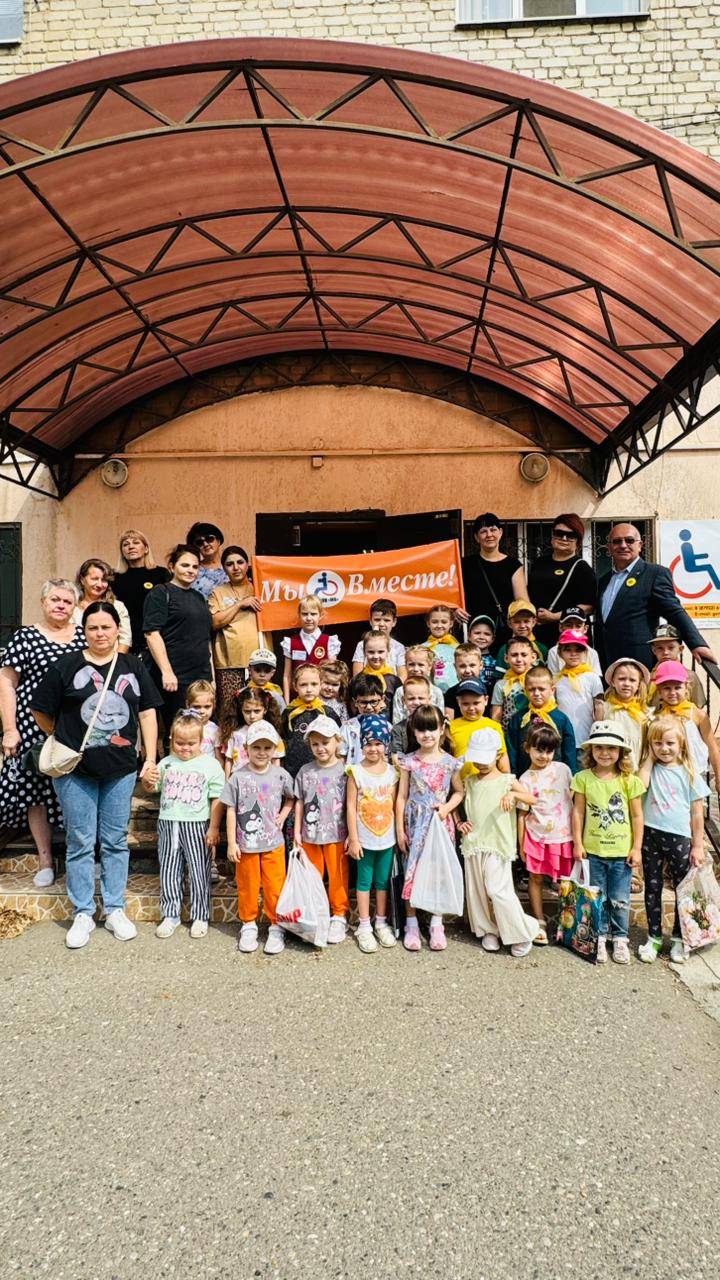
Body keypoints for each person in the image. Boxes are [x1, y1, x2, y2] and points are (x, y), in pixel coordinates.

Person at [29, 602, 161, 949]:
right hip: (75, 771)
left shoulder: (133, 665)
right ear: (83, 631)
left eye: (106, 627)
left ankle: (115, 908)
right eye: (93, 628)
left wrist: (149, 757)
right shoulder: (66, 665)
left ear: (117, 630)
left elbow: (147, 712)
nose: (100, 633)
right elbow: (40, 710)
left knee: (115, 840)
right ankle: (84, 912)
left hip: (120, 769)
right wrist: (61, 736)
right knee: (80, 841)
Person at [0, 580, 85, 885]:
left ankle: (82, 856)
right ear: (43, 602)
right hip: (31, 725)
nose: (61, 605)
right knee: (35, 790)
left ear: (75, 606)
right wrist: (9, 729)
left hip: (74, 727)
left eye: (67, 601)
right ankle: (45, 861)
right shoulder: (25, 637)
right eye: (55, 599)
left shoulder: (84, 636)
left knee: (77, 790)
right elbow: (6, 683)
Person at [213, 720, 294, 955]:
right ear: (246, 748)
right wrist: (231, 842)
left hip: (273, 843)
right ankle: (248, 923)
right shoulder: (237, 777)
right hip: (246, 845)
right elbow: (230, 809)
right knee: (247, 885)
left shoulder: (281, 775)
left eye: (267, 748)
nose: (262, 752)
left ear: (274, 749)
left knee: (274, 885)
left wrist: (283, 815)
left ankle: (276, 925)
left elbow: (291, 798)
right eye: (257, 747)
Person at [457, 728, 539, 957]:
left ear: (498, 755)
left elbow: (531, 799)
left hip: (498, 843)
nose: (481, 764)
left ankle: (521, 932)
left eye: (485, 758)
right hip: (474, 841)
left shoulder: (507, 780)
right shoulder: (469, 781)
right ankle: (488, 930)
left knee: (498, 889)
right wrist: (459, 822)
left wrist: (513, 795)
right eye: (477, 759)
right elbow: (456, 801)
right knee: (477, 891)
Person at [143, 710, 225, 940]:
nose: (185, 748)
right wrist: (147, 781)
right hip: (169, 823)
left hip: (197, 825)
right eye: (180, 743)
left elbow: (217, 798)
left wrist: (214, 827)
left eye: (191, 743)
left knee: (199, 870)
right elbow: (152, 787)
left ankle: (200, 914)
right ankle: (171, 914)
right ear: (171, 739)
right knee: (169, 869)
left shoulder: (210, 765)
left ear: (201, 741)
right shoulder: (166, 763)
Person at [571, 720, 645, 965]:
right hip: (593, 851)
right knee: (598, 897)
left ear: (621, 752)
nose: (605, 753)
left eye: (611, 748)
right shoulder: (582, 778)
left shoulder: (629, 780)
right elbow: (578, 812)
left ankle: (620, 937)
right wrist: (578, 843)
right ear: (591, 750)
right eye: (599, 747)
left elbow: (637, 816)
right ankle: (600, 935)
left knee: (620, 898)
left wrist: (636, 848)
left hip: (621, 853)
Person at [637, 716, 709, 965]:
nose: (664, 749)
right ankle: (654, 936)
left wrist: (698, 845)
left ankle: (679, 938)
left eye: (670, 743)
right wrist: (648, 758)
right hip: (651, 835)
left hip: (679, 838)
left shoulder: (689, 773)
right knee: (653, 888)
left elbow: (697, 814)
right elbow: (640, 786)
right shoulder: (650, 769)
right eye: (657, 743)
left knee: (681, 889)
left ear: (681, 744)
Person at [595, 523, 714, 671]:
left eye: (629, 540)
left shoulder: (654, 574)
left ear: (640, 545)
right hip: (606, 661)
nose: (623, 545)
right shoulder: (604, 580)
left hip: (639, 661)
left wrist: (696, 643)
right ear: (609, 547)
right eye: (617, 541)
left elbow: (674, 611)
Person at [395, 705, 464, 952]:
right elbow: (401, 796)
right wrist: (399, 829)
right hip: (414, 823)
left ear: (442, 729)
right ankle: (411, 923)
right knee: (411, 868)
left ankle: (436, 923)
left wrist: (446, 808)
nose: (427, 735)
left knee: (437, 871)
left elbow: (459, 792)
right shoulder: (409, 762)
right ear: (414, 731)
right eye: (421, 730)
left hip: (440, 824)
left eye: (432, 729)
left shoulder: (450, 763)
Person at [293, 714, 349, 944]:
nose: (320, 748)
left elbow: (351, 804)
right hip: (310, 835)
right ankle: (316, 913)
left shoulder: (346, 771)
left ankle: (339, 915)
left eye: (325, 742)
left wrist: (352, 834)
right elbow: (299, 802)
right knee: (313, 877)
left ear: (337, 741)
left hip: (337, 834)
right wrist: (297, 832)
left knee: (337, 876)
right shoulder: (305, 771)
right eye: (315, 744)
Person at [516, 721, 574, 944]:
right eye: (539, 750)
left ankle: (567, 922)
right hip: (536, 835)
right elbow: (522, 814)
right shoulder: (524, 779)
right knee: (536, 877)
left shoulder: (563, 770)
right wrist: (521, 843)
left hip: (564, 835)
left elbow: (574, 800)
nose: (544, 756)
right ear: (527, 748)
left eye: (549, 751)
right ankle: (538, 920)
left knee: (566, 881)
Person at [345, 715, 399, 954]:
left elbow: (396, 804)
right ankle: (364, 925)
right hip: (364, 839)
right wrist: (353, 838)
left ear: (385, 744)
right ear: (361, 745)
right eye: (368, 743)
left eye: (378, 743)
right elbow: (350, 806)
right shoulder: (355, 772)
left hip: (387, 838)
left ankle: (381, 921)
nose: (373, 748)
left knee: (382, 881)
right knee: (364, 881)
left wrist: (399, 834)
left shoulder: (393, 773)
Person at [143, 544, 212, 725]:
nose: (191, 570)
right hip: (175, 677)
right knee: (178, 729)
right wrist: (167, 672)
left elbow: (205, 638)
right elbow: (152, 634)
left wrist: (210, 677)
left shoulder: (199, 597)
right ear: (172, 567)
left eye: (195, 567)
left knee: (201, 731)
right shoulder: (160, 592)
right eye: (185, 565)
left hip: (200, 675)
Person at [207, 545, 264, 716]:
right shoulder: (218, 592)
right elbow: (214, 623)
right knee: (230, 712)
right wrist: (240, 604)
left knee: (258, 710)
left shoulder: (260, 588)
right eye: (229, 564)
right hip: (229, 662)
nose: (236, 567)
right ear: (224, 568)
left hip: (260, 661)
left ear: (247, 564)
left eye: (240, 562)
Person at [528, 514, 597, 648]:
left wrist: (554, 616)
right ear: (552, 535)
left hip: (569, 635)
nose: (564, 538)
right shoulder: (539, 563)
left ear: (578, 541)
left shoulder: (582, 569)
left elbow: (589, 606)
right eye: (559, 533)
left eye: (570, 535)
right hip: (537, 632)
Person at [649, 660, 720, 788]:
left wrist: (718, 776)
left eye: (677, 687)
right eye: (666, 688)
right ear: (659, 691)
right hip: (667, 775)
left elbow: (712, 747)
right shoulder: (658, 718)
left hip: (695, 774)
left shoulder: (698, 715)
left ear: (686, 687)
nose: (672, 692)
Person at [458, 513, 528, 639]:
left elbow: (522, 602)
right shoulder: (464, 564)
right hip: (472, 628)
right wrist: (455, 609)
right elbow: (452, 595)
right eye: (483, 531)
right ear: (476, 537)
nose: (489, 535)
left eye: (493, 530)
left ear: (500, 532)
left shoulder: (513, 565)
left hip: (503, 629)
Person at [505, 665, 576, 776]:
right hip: (525, 777)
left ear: (552, 690)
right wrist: (513, 776)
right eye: (531, 689)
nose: (536, 693)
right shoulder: (519, 718)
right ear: (525, 690)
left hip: (555, 777)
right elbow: (512, 749)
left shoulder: (561, 719)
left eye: (541, 689)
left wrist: (570, 776)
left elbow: (569, 752)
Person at [113, 530, 170, 654]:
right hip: (126, 638)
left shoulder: (161, 574)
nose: (131, 547)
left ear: (146, 549)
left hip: (157, 636)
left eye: (136, 542)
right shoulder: (115, 578)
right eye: (126, 544)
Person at [282, 663, 341, 778]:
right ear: (295, 686)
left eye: (314, 684)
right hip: (294, 769)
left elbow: (337, 738)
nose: (309, 689)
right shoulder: (289, 713)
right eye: (303, 685)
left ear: (320, 685)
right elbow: (282, 738)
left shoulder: (327, 712)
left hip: (322, 769)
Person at [553, 630, 605, 761]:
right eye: (568, 649)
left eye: (579, 649)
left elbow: (599, 705)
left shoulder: (593, 677)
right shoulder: (556, 679)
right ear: (559, 652)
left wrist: (598, 732)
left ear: (586, 652)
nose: (573, 653)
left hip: (586, 737)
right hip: (562, 738)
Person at [281, 594, 341, 702]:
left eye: (313, 614)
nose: (309, 618)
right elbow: (287, 676)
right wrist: (287, 702)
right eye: (305, 614)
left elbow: (333, 675)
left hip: (322, 700)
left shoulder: (329, 642)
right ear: (299, 615)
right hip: (298, 700)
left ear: (320, 615)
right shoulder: (290, 642)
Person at [448, 678, 508, 779]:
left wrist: (506, 778)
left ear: (486, 700)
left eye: (476, 703)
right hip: (460, 782)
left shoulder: (494, 726)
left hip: (487, 782)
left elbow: (502, 756)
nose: (471, 708)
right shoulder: (451, 727)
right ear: (458, 702)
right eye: (465, 704)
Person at [220, 686, 285, 777]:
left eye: (257, 711)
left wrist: (275, 778)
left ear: (265, 710)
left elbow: (276, 759)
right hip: (239, 779)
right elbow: (229, 759)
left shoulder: (271, 732)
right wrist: (227, 780)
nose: (252, 716)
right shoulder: (236, 734)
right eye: (247, 711)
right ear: (241, 710)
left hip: (263, 779)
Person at [73, 559, 132, 652]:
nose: (100, 584)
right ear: (82, 580)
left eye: (104, 580)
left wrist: (117, 660)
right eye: (94, 579)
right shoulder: (72, 607)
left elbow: (125, 641)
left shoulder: (117, 606)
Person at [602, 658, 650, 772]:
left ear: (639, 684)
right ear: (613, 681)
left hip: (637, 764)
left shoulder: (645, 713)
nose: (627, 684)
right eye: (622, 679)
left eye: (632, 680)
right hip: (612, 767)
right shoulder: (604, 708)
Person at [647, 624, 705, 709]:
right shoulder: (648, 677)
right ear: (654, 650)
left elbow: (698, 706)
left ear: (680, 649)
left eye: (671, 648)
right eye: (660, 648)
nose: (665, 652)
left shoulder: (690, 676)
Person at [351, 598, 407, 677]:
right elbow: (357, 676)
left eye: (386, 620)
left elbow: (402, 676)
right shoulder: (361, 645)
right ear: (370, 621)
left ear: (394, 622)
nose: (381, 624)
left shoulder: (399, 647)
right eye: (377, 620)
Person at [339, 674, 387, 766]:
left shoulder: (387, 727)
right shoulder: (348, 727)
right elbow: (341, 757)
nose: (368, 707)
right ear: (355, 702)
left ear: (382, 699)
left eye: (373, 702)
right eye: (363, 702)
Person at [490, 638, 536, 732]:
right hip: (508, 734)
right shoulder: (501, 685)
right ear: (506, 658)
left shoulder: (539, 682)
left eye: (524, 655)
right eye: (514, 655)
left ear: (533, 657)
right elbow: (496, 715)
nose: (519, 659)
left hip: (534, 734)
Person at [493, 600, 548, 673]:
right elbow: (499, 678)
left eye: (526, 621)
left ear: (534, 622)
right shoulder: (504, 650)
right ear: (509, 623)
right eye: (517, 622)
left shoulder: (542, 649)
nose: (522, 626)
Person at [391, 647, 444, 722]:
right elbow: (397, 721)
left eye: (420, 665)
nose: (416, 669)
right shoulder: (400, 691)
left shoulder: (436, 692)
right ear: (406, 665)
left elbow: (440, 720)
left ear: (429, 666)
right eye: (411, 664)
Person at [547, 607, 601, 677]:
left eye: (578, 626)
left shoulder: (592, 653)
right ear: (560, 627)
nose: (573, 629)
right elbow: (552, 680)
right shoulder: (553, 652)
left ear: (585, 629)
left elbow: (596, 679)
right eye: (568, 625)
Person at [359, 629, 402, 717]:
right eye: (371, 652)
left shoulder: (394, 681)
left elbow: (399, 708)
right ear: (364, 652)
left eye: (380, 652)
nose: (376, 656)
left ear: (388, 651)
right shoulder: (358, 680)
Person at [389, 676, 434, 755]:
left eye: (421, 698)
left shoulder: (436, 726)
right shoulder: (398, 729)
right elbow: (396, 756)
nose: (416, 702)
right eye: (411, 698)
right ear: (404, 700)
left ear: (429, 699)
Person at [444, 643, 489, 719]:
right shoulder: (450, 693)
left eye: (472, 665)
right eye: (462, 666)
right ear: (455, 667)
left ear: (481, 665)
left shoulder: (489, 690)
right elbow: (449, 722)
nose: (467, 670)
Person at [421, 604, 459, 693]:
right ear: (428, 623)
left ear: (451, 623)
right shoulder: (422, 648)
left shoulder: (458, 647)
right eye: (435, 622)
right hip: (431, 693)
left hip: (454, 692)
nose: (439, 625)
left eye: (444, 622)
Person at [186, 522, 228, 600]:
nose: (205, 544)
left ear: (218, 541)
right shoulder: (193, 570)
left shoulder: (232, 565)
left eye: (209, 539)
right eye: (199, 542)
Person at [185, 680, 222, 761]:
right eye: (196, 707)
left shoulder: (215, 730)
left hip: (208, 767)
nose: (202, 711)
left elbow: (218, 757)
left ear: (214, 705)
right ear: (188, 705)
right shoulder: (183, 727)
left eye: (207, 707)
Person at [319, 659, 350, 725]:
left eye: (334, 685)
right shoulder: (312, 700)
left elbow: (344, 725)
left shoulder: (340, 705)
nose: (330, 688)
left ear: (341, 686)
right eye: (326, 683)